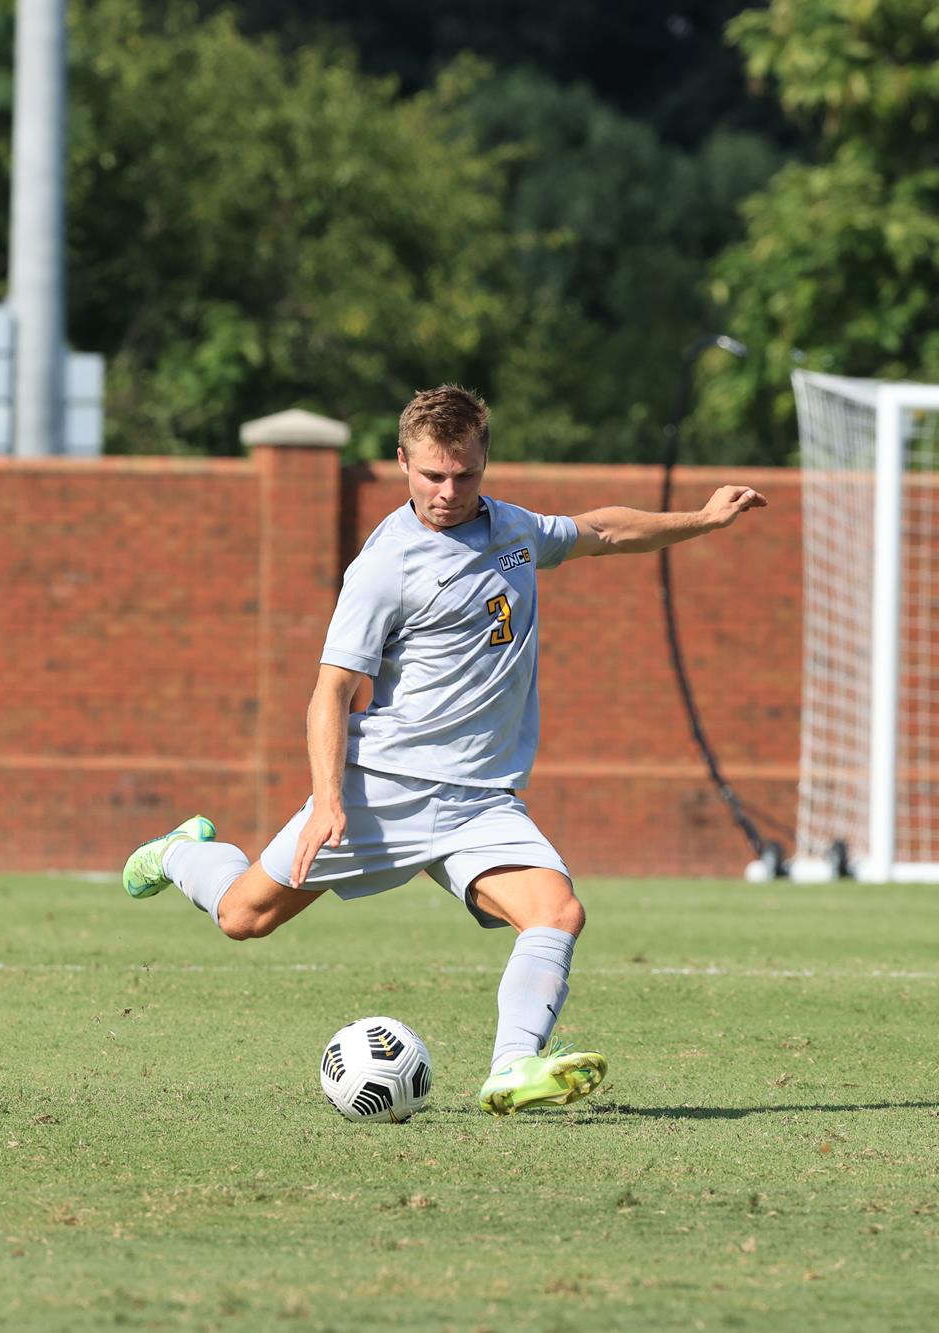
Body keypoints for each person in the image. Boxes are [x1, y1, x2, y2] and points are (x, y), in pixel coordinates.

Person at [121, 384, 767, 1115]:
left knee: (557, 913)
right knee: (244, 917)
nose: (448, 492)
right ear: (402, 462)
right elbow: (329, 693)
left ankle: (512, 1067)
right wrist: (328, 801)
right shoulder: (385, 566)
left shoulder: (514, 531)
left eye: (464, 475)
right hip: (381, 791)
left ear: (484, 460)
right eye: (432, 475)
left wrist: (706, 519)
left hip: (480, 802)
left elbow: (602, 531)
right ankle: (180, 850)